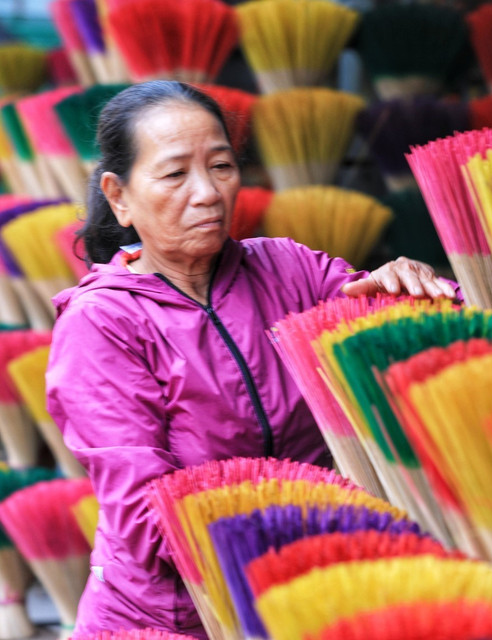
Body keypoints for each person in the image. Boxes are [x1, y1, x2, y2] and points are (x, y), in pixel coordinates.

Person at [45, 81, 458, 635]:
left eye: (221, 166)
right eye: (175, 174)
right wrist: (321, 523)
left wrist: (416, 290)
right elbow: (148, 519)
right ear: (119, 196)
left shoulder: (290, 269)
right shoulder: (101, 324)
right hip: (176, 617)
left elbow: (426, 342)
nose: (208, 193)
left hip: (308, 598)